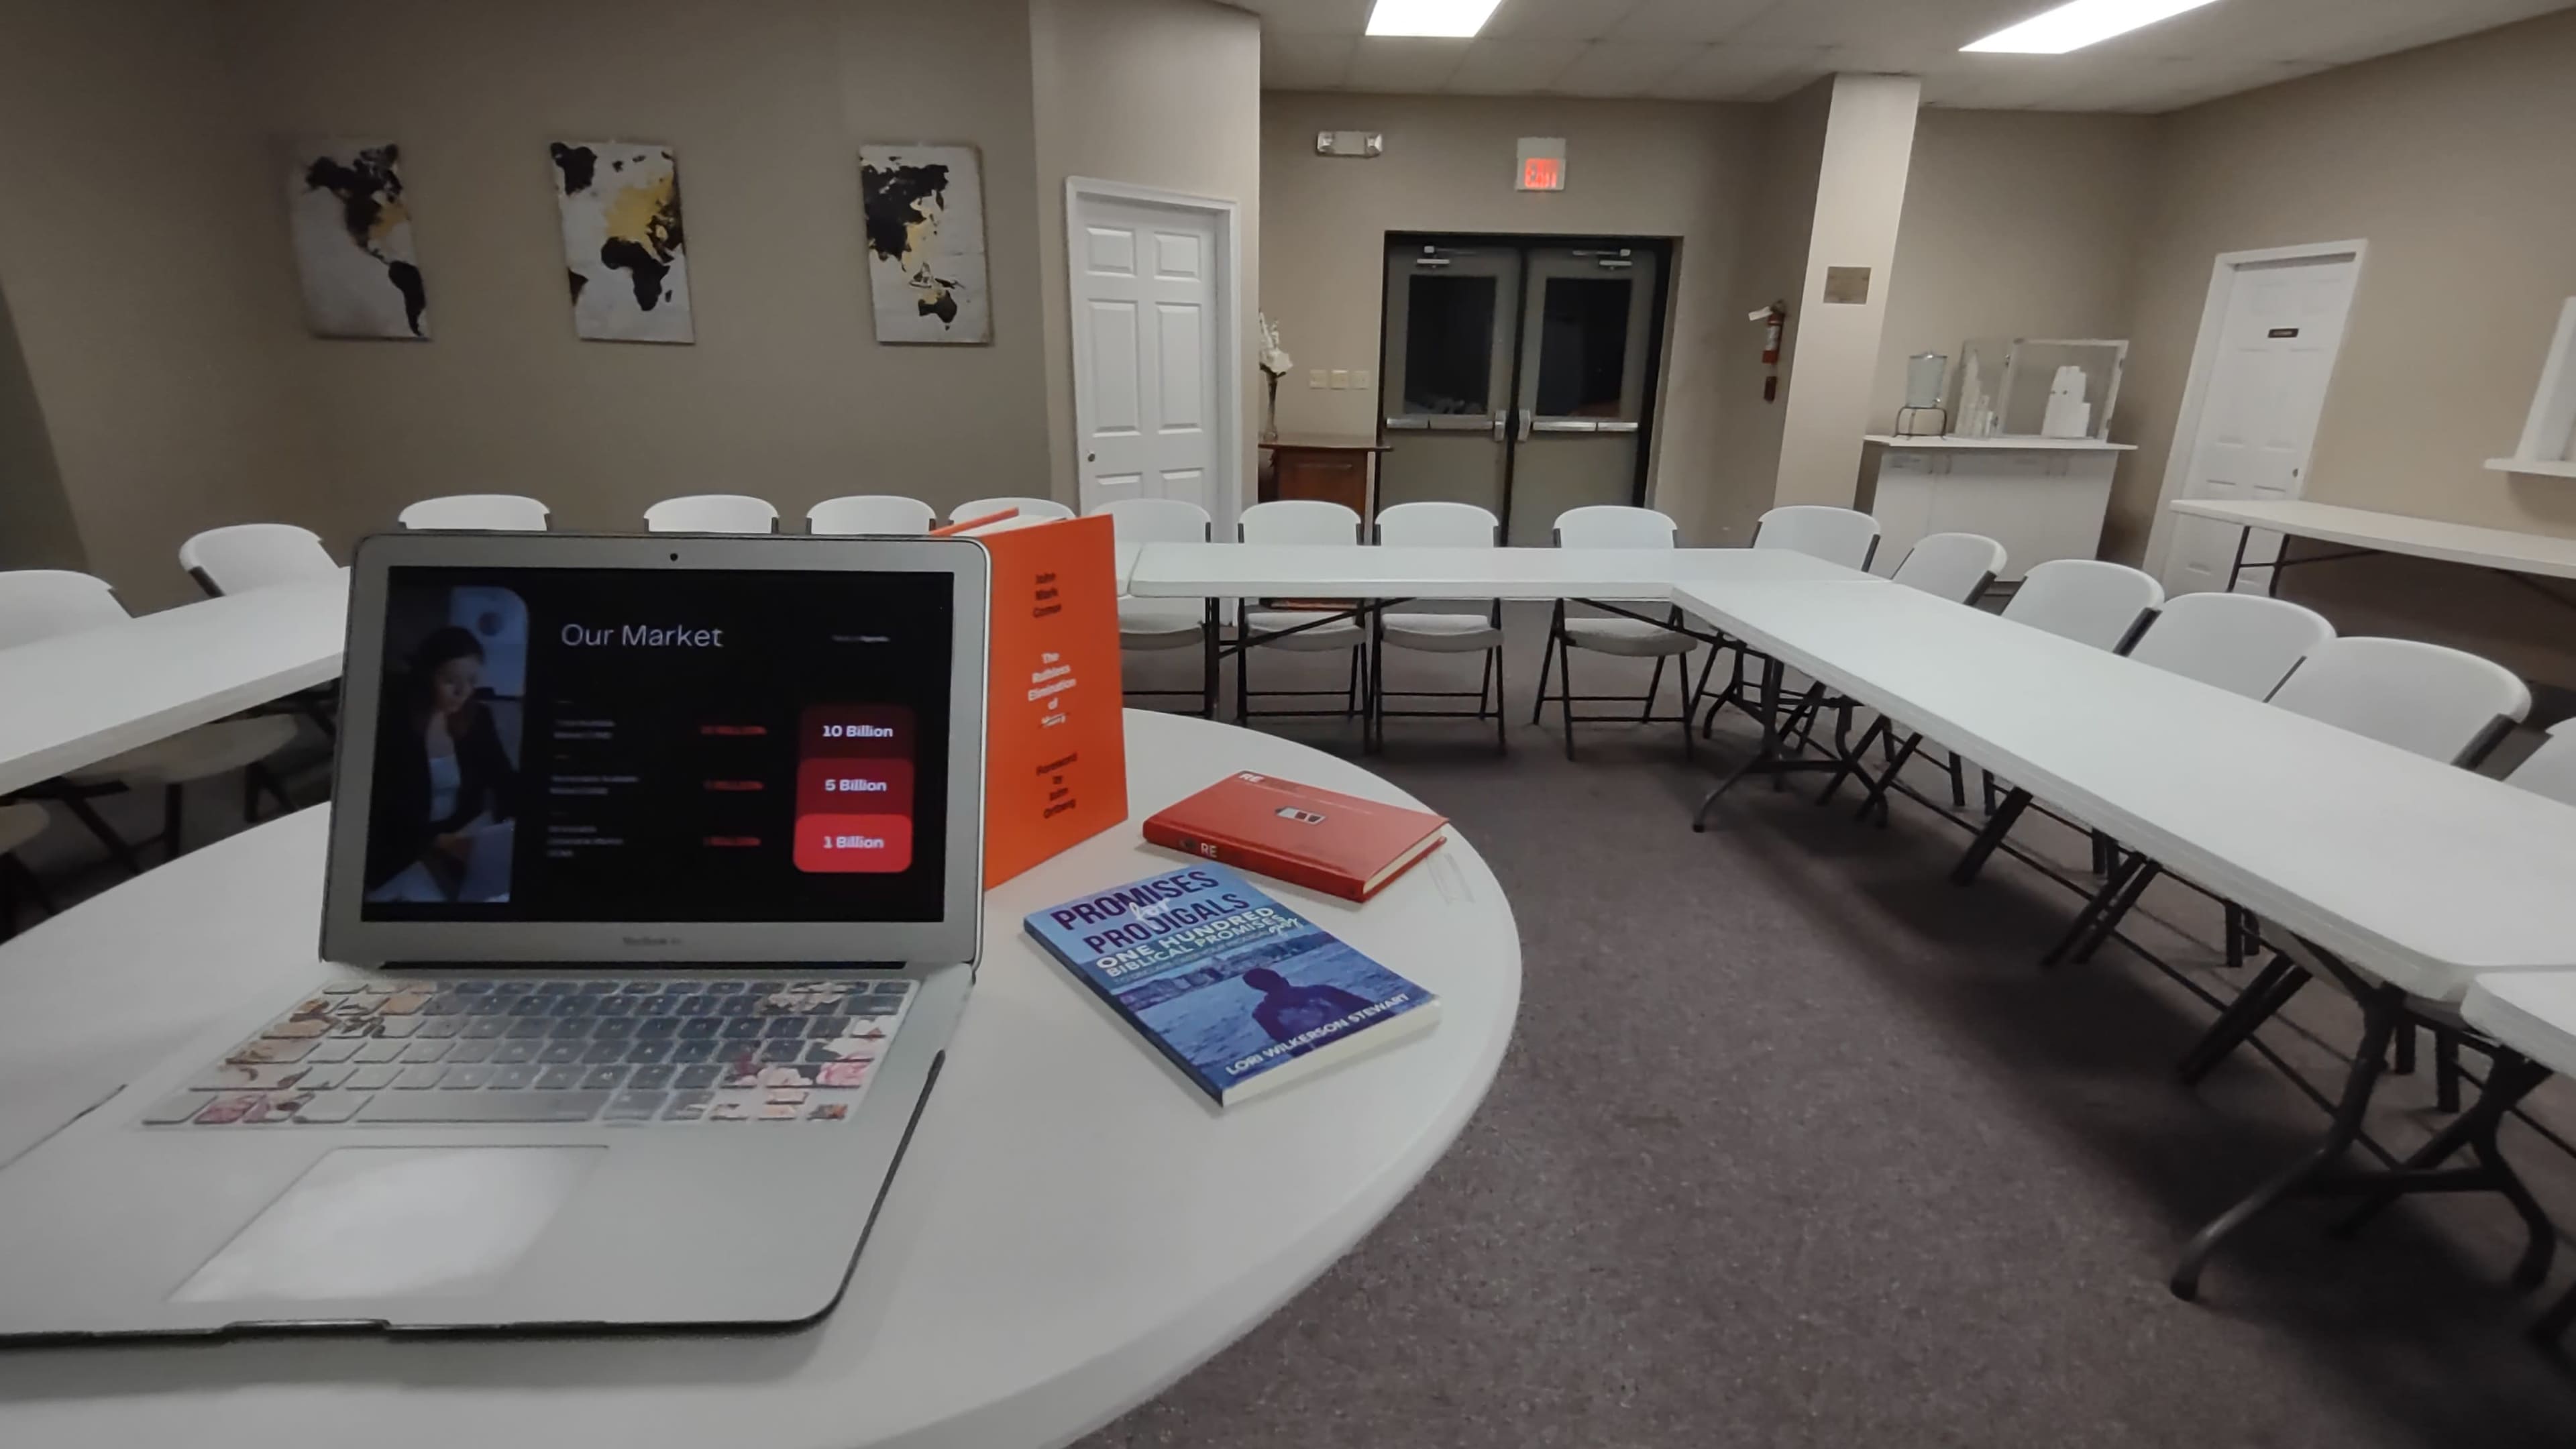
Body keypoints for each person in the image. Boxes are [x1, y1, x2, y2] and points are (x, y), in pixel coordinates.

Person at [364, 625, 519, 900]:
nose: (463, 692)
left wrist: (517, 817)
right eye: (450, 681)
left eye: (471, 681)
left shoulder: (478, 716)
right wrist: (436, 841)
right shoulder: (391, 723)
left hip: (461, 831)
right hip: (405, 843)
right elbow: (380, 807)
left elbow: (502, 775)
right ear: (427, 677)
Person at [1242, 966, 1371, 1047]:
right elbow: (1293, 1047)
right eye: (1276, 989)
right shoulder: (1265, 1015)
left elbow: (1368, 1007)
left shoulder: (1323, 991)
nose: (1286, 995)